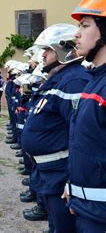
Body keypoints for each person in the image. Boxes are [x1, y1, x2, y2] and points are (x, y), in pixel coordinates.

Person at [22, 23, 91, 233]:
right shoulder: (60, 78)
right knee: (55, 224)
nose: (43, 55)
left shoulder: (74, 81)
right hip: (49, 172)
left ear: (63, 50)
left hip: (61, 173)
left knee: (64, 226)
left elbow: (80, 135)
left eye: (48, 50)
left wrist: (71, 179)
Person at [65, 0, 106, 232]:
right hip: (87, 209)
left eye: (85, 25)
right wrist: (74, 189)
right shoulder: (93, 81)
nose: (76, 34)